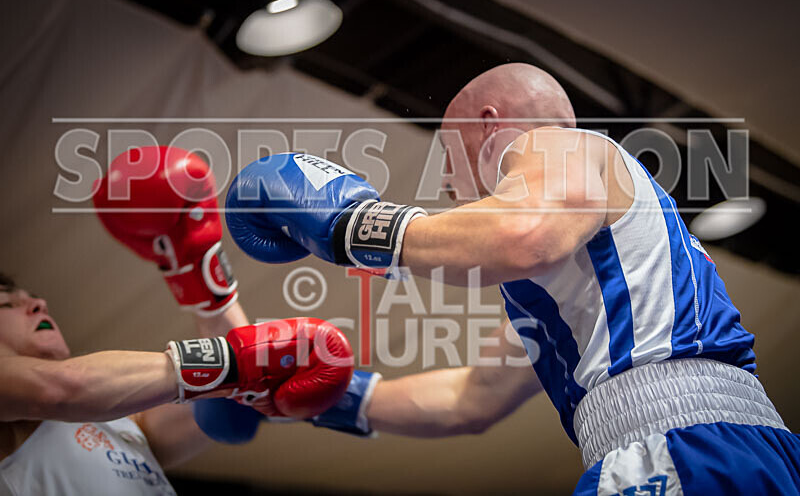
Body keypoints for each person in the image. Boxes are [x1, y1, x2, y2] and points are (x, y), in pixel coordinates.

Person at [224, 63, 800, 494]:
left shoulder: (563, 148)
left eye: (447, 153)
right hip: (726, 445)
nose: (448, 184)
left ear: (491, 126)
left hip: (680, 448)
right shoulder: (589, 283)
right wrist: (331, 397)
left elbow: (523, 235)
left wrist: (352, 226)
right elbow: (471, 399)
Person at [0, 146, 363, 495]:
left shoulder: (119, 424)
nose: (37, 303)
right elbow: (61, 389)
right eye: (7, 304)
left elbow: (230, 404)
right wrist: (238, 362)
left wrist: (198, 267)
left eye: (29, 296)